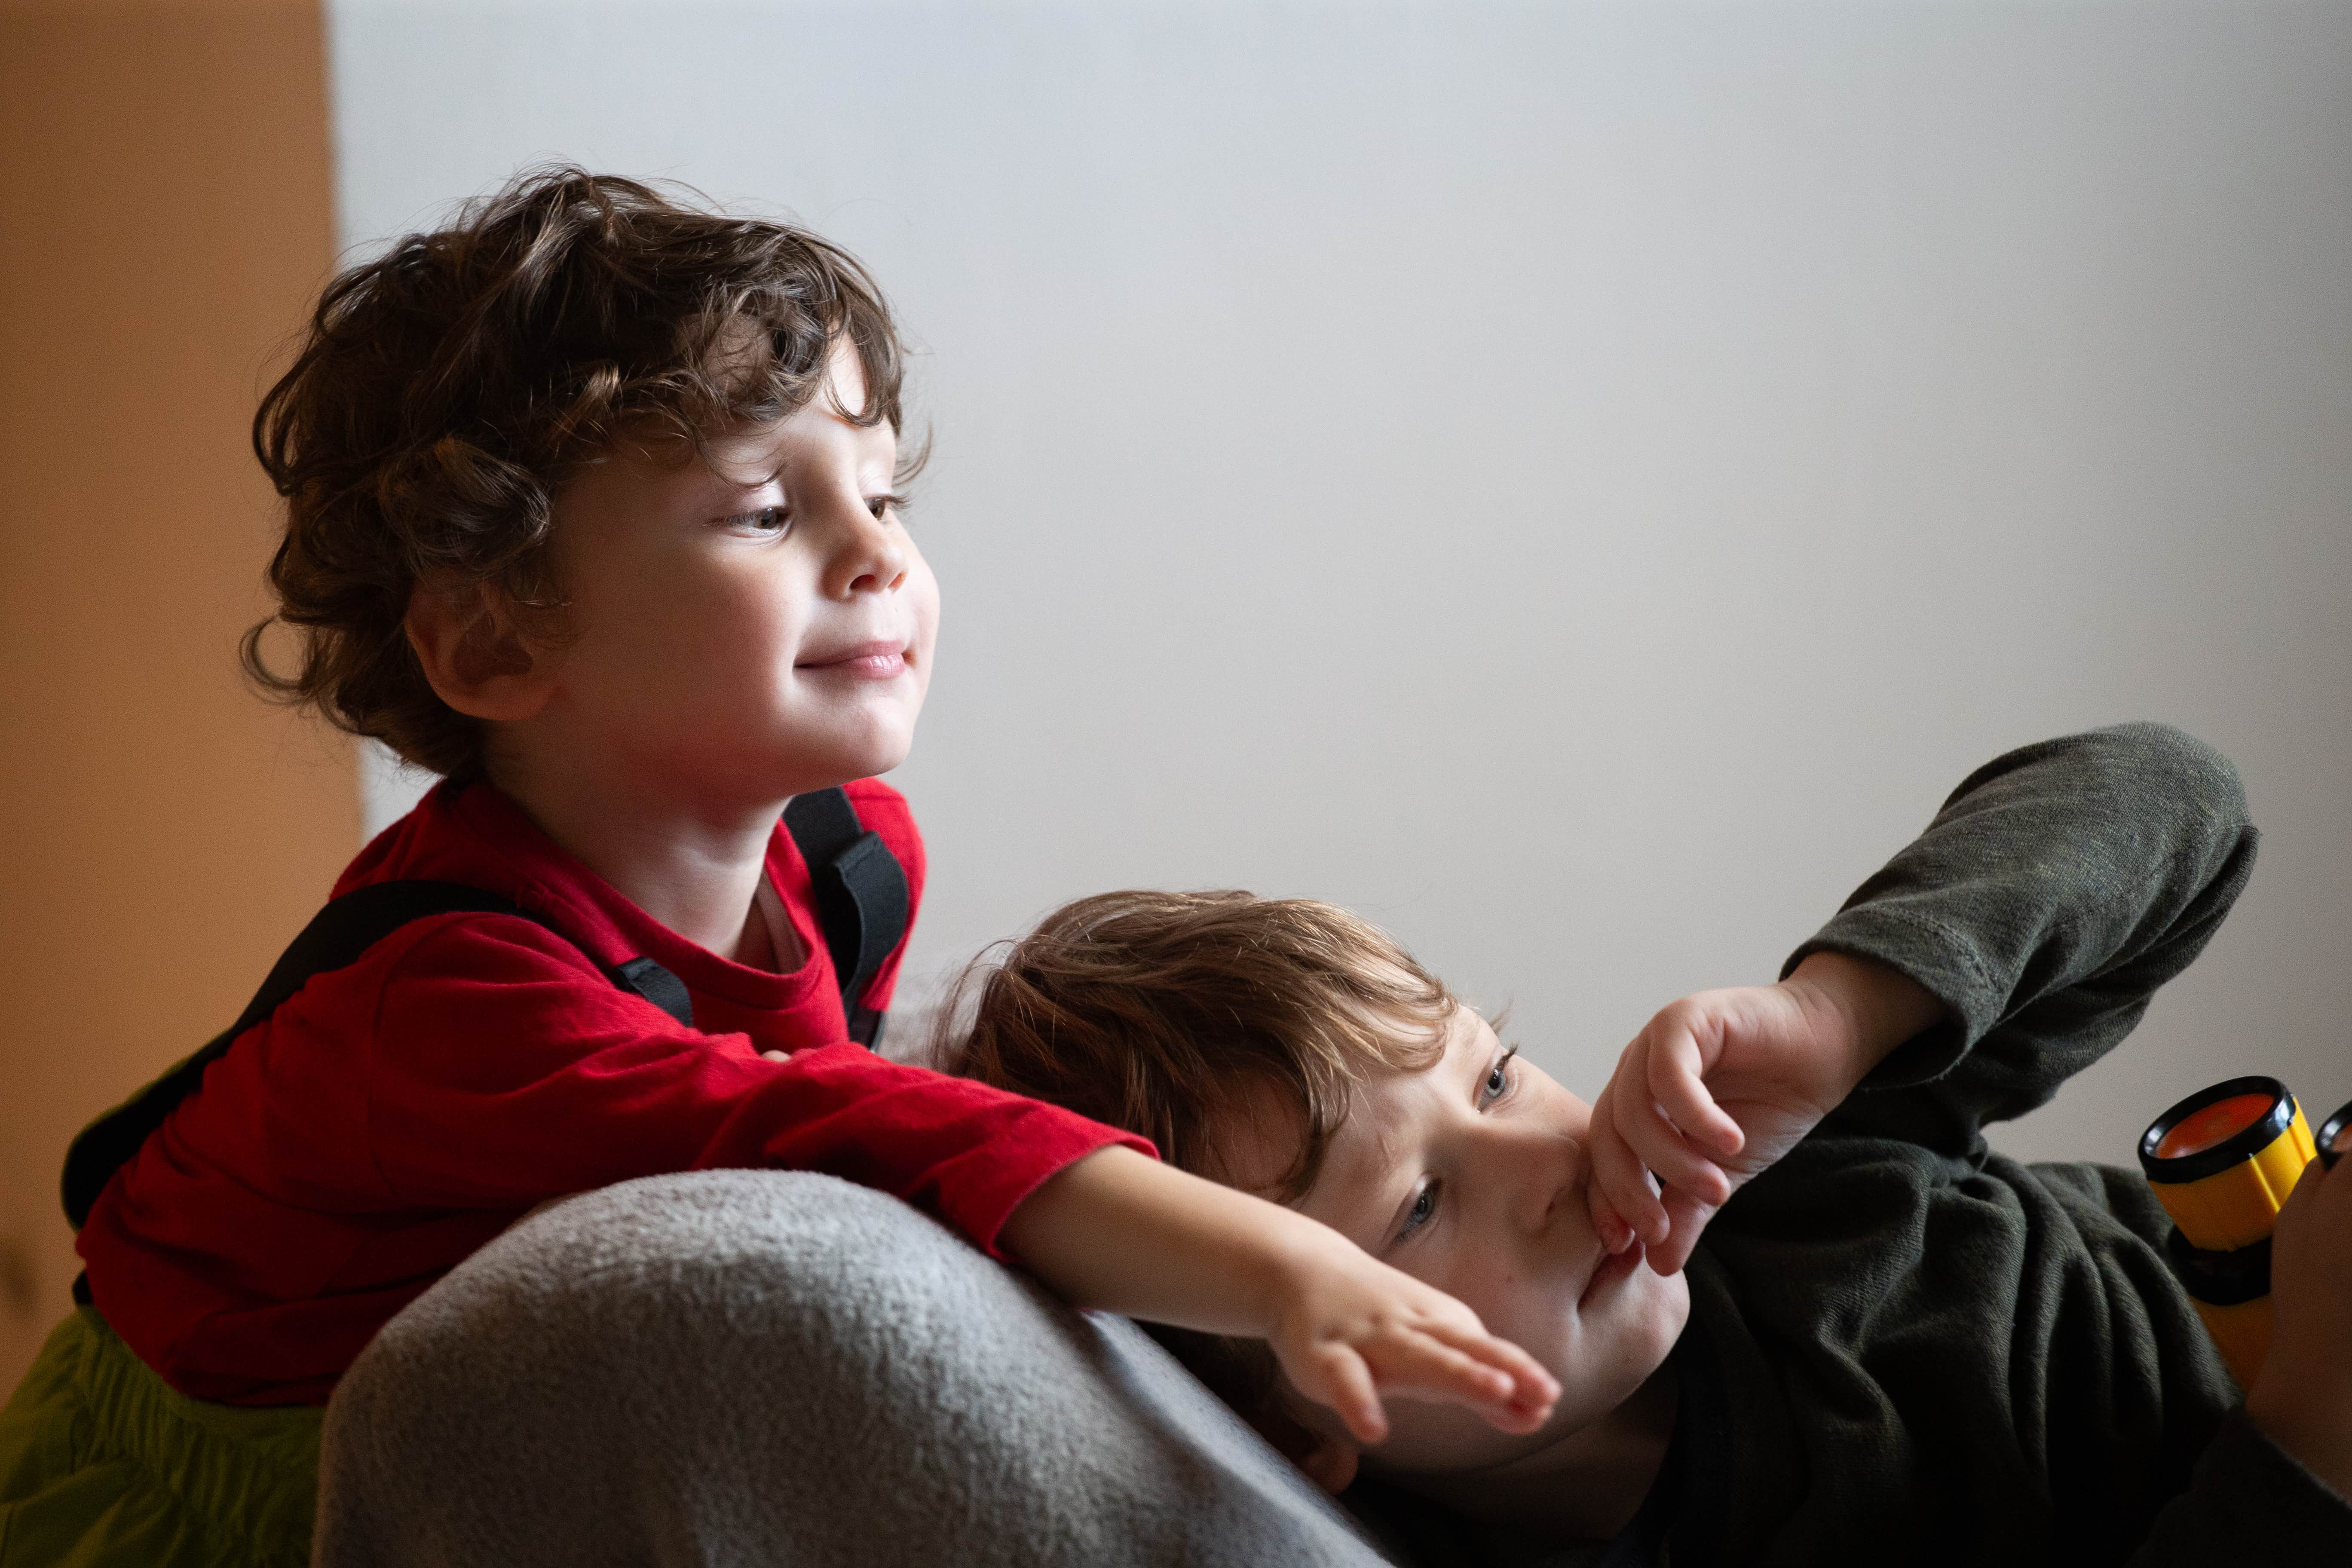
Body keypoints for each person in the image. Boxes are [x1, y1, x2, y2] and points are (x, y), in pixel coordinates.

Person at [0, 167, 1556, 1568]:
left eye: (880, 493)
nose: (877, 552)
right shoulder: (457, 1001)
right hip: (211, 1469)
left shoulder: (851, 854)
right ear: (492, 638)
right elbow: (839, 1131)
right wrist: (1287, 1272)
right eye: (764, 509)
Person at [949, 723, 2352, 1564]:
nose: (1548, 1171)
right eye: (1421, 1207)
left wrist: (1842, 1011)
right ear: (1291, 1429)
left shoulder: (1777, 1177)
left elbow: (2184, 806)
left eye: (1494, 1078)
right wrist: (2310, 1440)